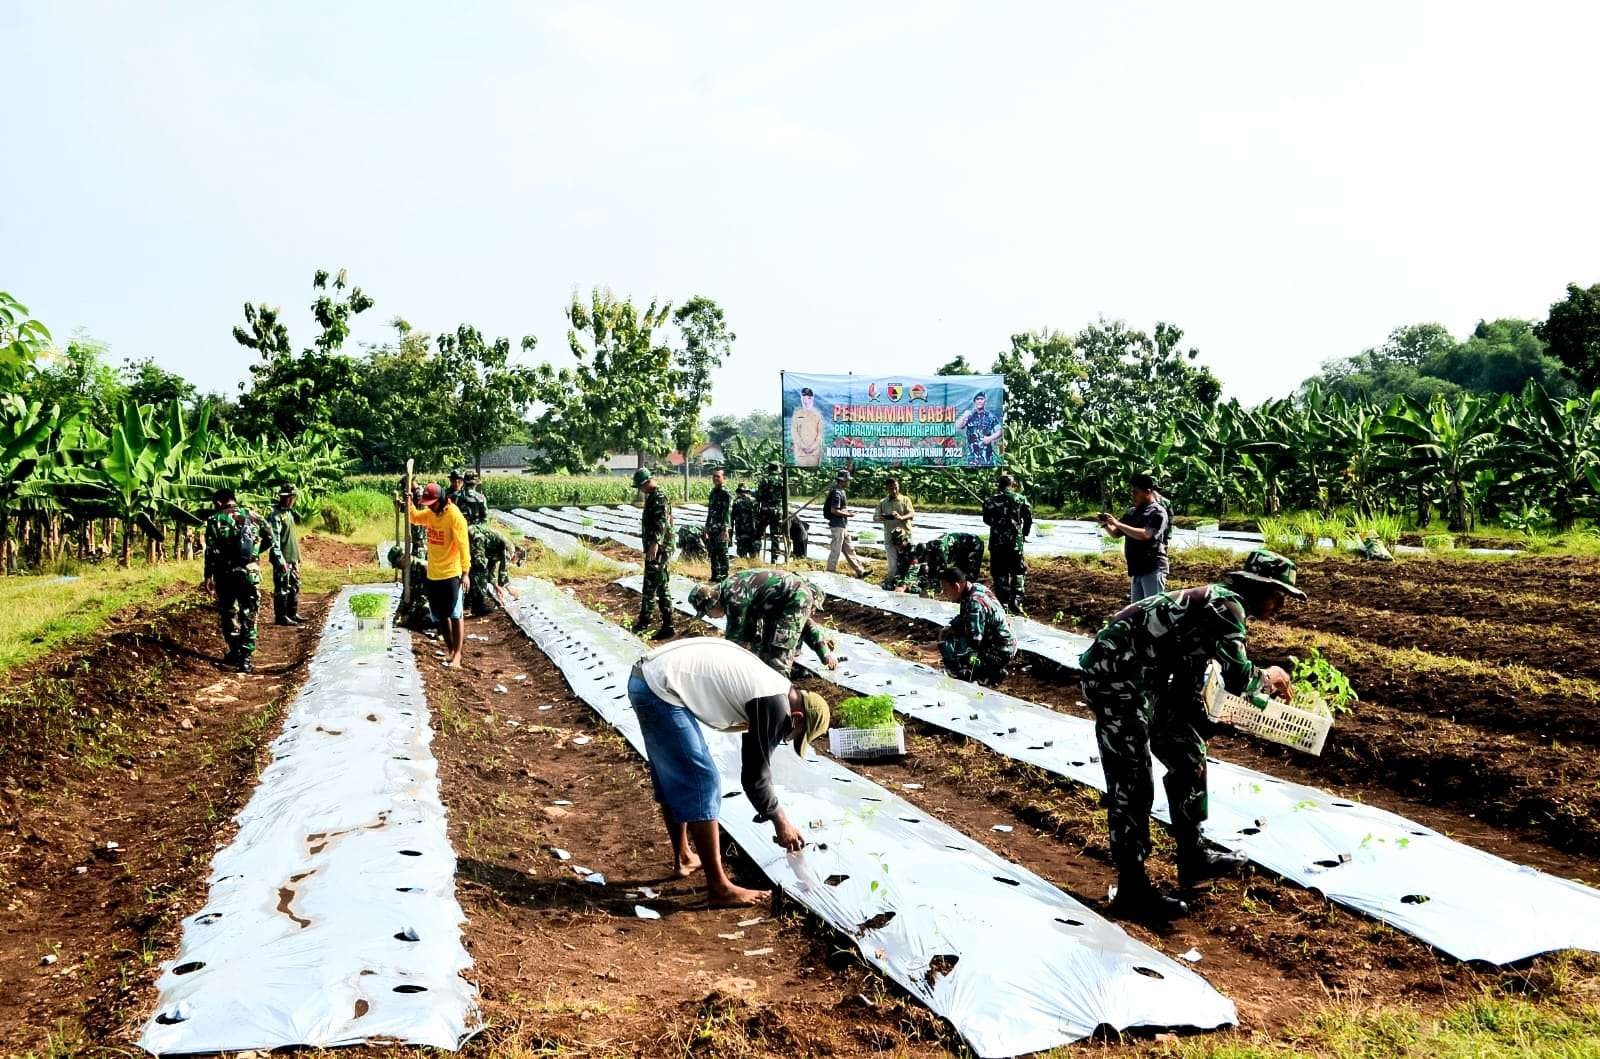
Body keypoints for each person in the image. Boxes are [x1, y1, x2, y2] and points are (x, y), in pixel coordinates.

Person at [1077, 549, 1305, 921]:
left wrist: (1206, 719)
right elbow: (1240, 678)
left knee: (1188, 752)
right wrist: (1271, 675)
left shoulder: (1211, 606)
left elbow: (1189, 680)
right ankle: (1132, 886)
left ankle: (1193, 855)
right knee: (1132, 779)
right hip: (1116, 677)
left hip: (1147, 677)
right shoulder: (1227, 607)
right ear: (1258, 587)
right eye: (1278, 595)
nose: (1280, 605)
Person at [629, 637, 831, 906]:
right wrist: (780, 820)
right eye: (791, 735)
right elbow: (754, 776)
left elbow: (752, 759)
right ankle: (719, 887)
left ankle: (685, 857)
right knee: (703, 780)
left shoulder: (771, 688)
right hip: (659, 689)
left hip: (646, 679)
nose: (784, 737)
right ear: (797, 718)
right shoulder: (775, 705)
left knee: (673, 774)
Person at [689, 570, 839, 676]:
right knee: (764, 649)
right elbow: (752, 635)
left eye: (707, 613)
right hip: (777, 605)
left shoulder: (734, 597)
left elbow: (735, 641)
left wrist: (723, 670)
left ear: (711, 604)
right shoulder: (731, 589)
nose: (710, 617)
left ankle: (780, 693)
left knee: (778, 653)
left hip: (793, 597)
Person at [403, 482, 472, 667]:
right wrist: (409, 503)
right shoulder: (431, 514)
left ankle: (457, 655)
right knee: (441, 615)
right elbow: (415, 518)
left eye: (432, 503)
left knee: (455, 615)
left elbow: (464, 546)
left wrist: (465, 573)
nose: (430, 506)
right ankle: (450, 650)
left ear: (441, 499)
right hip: (434, 573)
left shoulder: (454, 516)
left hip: (452, 573)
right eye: (428, 503)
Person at [203, 488, 267, 672]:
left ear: (218, 503)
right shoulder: (253, 515)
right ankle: (246, 657)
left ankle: (236, 651)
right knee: (250, 612)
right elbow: (270, 537)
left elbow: (211, 551)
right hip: (251, 572)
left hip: (226, 574)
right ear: (233, 499)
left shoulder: (215, 520)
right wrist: (253, 553)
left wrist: (208, 576)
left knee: (229, 612)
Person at [937, 566, 1016, 686]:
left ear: (957, 587)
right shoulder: (975, 588)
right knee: (949, 639)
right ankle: (987, 670)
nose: (944, 593)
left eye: (946, 590)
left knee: (949, 647)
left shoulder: (975, 603)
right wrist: (951, 628)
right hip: (1001, 642)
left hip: (999, 649)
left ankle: (978, 674)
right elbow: (964, 618)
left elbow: (974, 640)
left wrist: (940, 646)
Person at [1100, 473, 1171, 602]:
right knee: (1137, 612)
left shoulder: (1158, 512)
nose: (1133, 496)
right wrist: (1105, 524)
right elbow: (1116, 533)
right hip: (1136, 569)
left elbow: (1145, 534)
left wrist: (1117, 523)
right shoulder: (1132, 512)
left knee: (1152, 610)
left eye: (1135, 493)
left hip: (1152, 568)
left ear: (1147, 492)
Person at [982, 473, 1033, 614]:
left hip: (997, 542)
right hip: (1014, 543)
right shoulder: (1020, 499)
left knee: (999, 573)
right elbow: (1028, 519)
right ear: (1013, 485)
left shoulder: (989, 500)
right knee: (1018, 571)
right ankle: (1016, 601)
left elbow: (986, 520)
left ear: (999, 485)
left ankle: (1002, 603)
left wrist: (998, 525)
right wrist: (1023, 534)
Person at [633, 467, 675, 637]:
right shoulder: (653, 497)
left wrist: (655, 543)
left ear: (646, 483)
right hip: (659, 548)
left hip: (659, 549)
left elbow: (662, 522)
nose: (640, 490)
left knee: (650, 586)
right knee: (661, 584)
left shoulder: (658, 497)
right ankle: (668, 624)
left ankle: (644, 622)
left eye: (640, 486)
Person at [265, 484, 303, 626]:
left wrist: (298, 557)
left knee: (294, 586)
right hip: (282, 559)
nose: (292, 500)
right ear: (286, 498)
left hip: (292, 558)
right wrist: (280, 560)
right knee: (282, 588)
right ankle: (281, 616)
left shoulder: (289, 513)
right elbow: (274, 541)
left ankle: (292, 613)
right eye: (291, 498)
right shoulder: (275, 516)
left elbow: (291, 537)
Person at [823, 469, 867, 577]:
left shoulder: (842, 492)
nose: (848, 482)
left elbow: (841, 509)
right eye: (847, 480)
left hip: (842, 524)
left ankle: (860, 571)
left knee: (849, 548)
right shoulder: (836, 493)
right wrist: (849, 515)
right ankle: (830, 571)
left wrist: (848, 512)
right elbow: (834, 510)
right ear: (842, 481)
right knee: (836, 549)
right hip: (837, 525)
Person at [874, 477, 916, 585]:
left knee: (908, 562)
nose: (894, 491)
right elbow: (875, 517)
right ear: (887, 489)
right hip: (890, 537)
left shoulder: (905, 500)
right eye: (891, 489)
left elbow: (912, 514)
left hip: (905, 537)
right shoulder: (883, 502)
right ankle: (892, 583)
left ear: (899, 487)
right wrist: (884, 517)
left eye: (896, 488)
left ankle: (907, 583)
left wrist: (901, 517)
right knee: (892, 564)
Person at [388, 544, 436, 631]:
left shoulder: (423, 567)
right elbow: (406, 594)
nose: (398, 567)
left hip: (431, 602)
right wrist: (399, 612)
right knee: (409, 621)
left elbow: (423, 596)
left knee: (424, 617)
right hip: (418, 603)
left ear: (404, 557)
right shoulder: (405, 571)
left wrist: (408, 615)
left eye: (398, 564)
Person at [953, 392, 1002, 467]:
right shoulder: (969, 416)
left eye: (981, 399)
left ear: (985, 401)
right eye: (977, 399)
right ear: (974, 401)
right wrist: (964, 416)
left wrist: (990, 438)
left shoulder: (991, 416)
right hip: (972, 456)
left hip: (987, 456)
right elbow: (957, 427)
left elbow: (999, 431)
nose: (979, 401)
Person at [704, 467, 732, 581]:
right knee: (713, 552)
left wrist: (725, 529)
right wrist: (706, 527)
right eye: (714, 476)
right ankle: (715, 575)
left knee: (722, 553)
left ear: (723, 478)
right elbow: (710, 512)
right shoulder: (712, 493)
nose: (715, 478)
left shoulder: (725, 493)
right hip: (712, 528)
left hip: (721, 529)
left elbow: (727, 512)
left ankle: (724, 577)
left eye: (718, 476)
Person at [755, 462, 786, 563]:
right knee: (775, 536)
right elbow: (785, 497)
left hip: (765, 510)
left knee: (758, 534)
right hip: (777, 511)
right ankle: (774, 559)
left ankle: (755, 557)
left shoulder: (764, 480)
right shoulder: (782, 481)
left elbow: (759, 496)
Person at [790, 386, 825, 468]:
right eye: (804, 398)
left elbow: (820, 434)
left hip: (814, 454)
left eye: (809, 398)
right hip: (800, 454)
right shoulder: (797, 414)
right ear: (801, 399)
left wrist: (813, 447)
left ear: (812, 399)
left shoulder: (818, 415)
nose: (806, 401)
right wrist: (803, 446)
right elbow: (794, 433)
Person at [731, 484, 760, 559]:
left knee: (742, 556)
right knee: (754, 555)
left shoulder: (735, 502)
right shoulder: (754, 502)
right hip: (753, 532)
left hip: (741, 533)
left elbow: (731, 520)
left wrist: (730, 536)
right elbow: (759, 517)